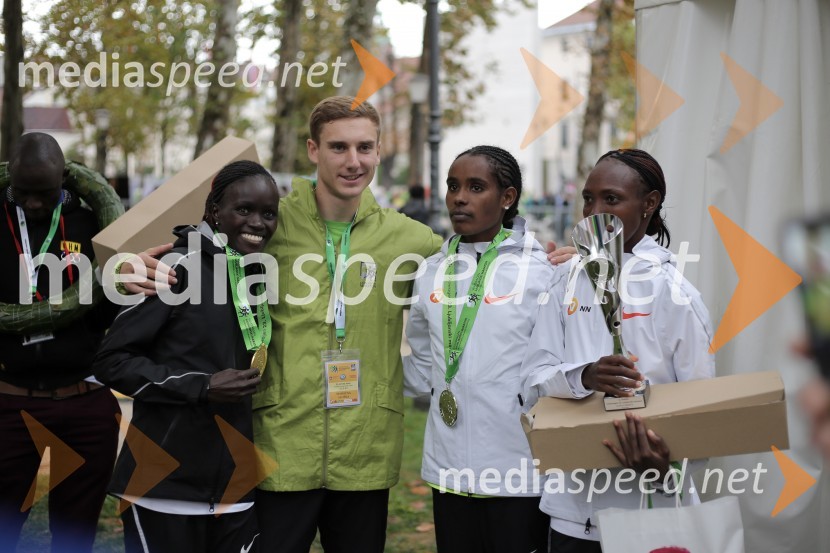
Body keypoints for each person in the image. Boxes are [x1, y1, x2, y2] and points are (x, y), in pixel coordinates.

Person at [523, 149, 716, 551]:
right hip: (573, 514)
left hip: (651, 511)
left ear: (649, 203)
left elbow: (703, 412)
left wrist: (665, 468)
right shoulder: (565, 281)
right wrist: (584, 376)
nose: (594, 212)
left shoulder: (674, 292)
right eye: (588, 199)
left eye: (611, 199)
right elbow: (532, 381)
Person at [93, 160, 280, 553]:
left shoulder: (256, 275)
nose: (258, 223)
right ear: (214, 211)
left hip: (235, 490)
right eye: (244, 209)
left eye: (268, 213)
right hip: (161, 488)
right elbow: (112, 361)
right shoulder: (176, 267)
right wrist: (202, 387)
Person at [403, 146, 553, 553]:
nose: (459, 198)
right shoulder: (431, 271)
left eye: (475, 187)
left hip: (519, 471)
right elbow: (422, 357)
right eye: (453, 186)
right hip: (448, 469)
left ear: (507, 197)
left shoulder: (541, 272)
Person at [0, 133, 123, 553]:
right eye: (23, 192)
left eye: (45, 193)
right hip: (10, 402)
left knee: (75, 533)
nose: (33, 203)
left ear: (64, 180)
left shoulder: (91, 226)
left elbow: (109, 312)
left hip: (84, 401)